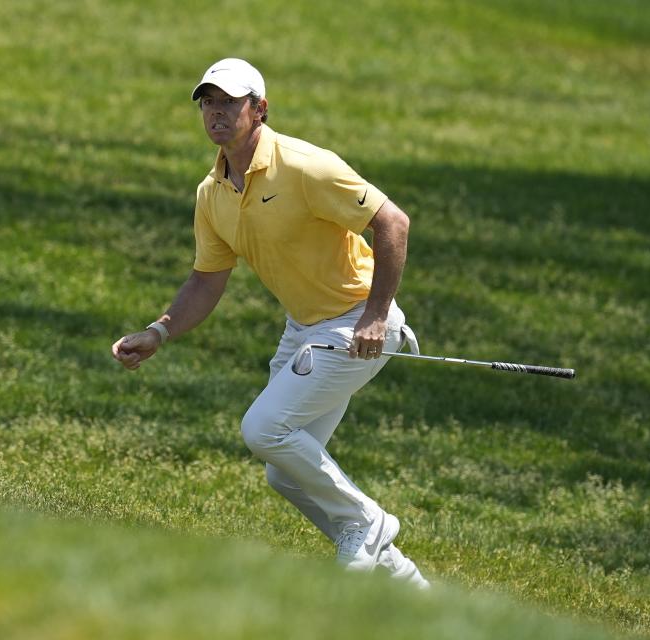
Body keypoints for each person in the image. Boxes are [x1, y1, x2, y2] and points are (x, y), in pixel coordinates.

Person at [111, 58, 429, 588]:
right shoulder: (211, 193)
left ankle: (367, 523)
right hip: (304, 328)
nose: (216, 112)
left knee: (263, 430)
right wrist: (159, 331)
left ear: (259, 110)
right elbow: (206, 281)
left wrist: (375, 316)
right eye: (208, 102)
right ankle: (405, 583)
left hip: (356, 326)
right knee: (286, 470)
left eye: (229, 102)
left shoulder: (305, 165)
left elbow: (393, 222)